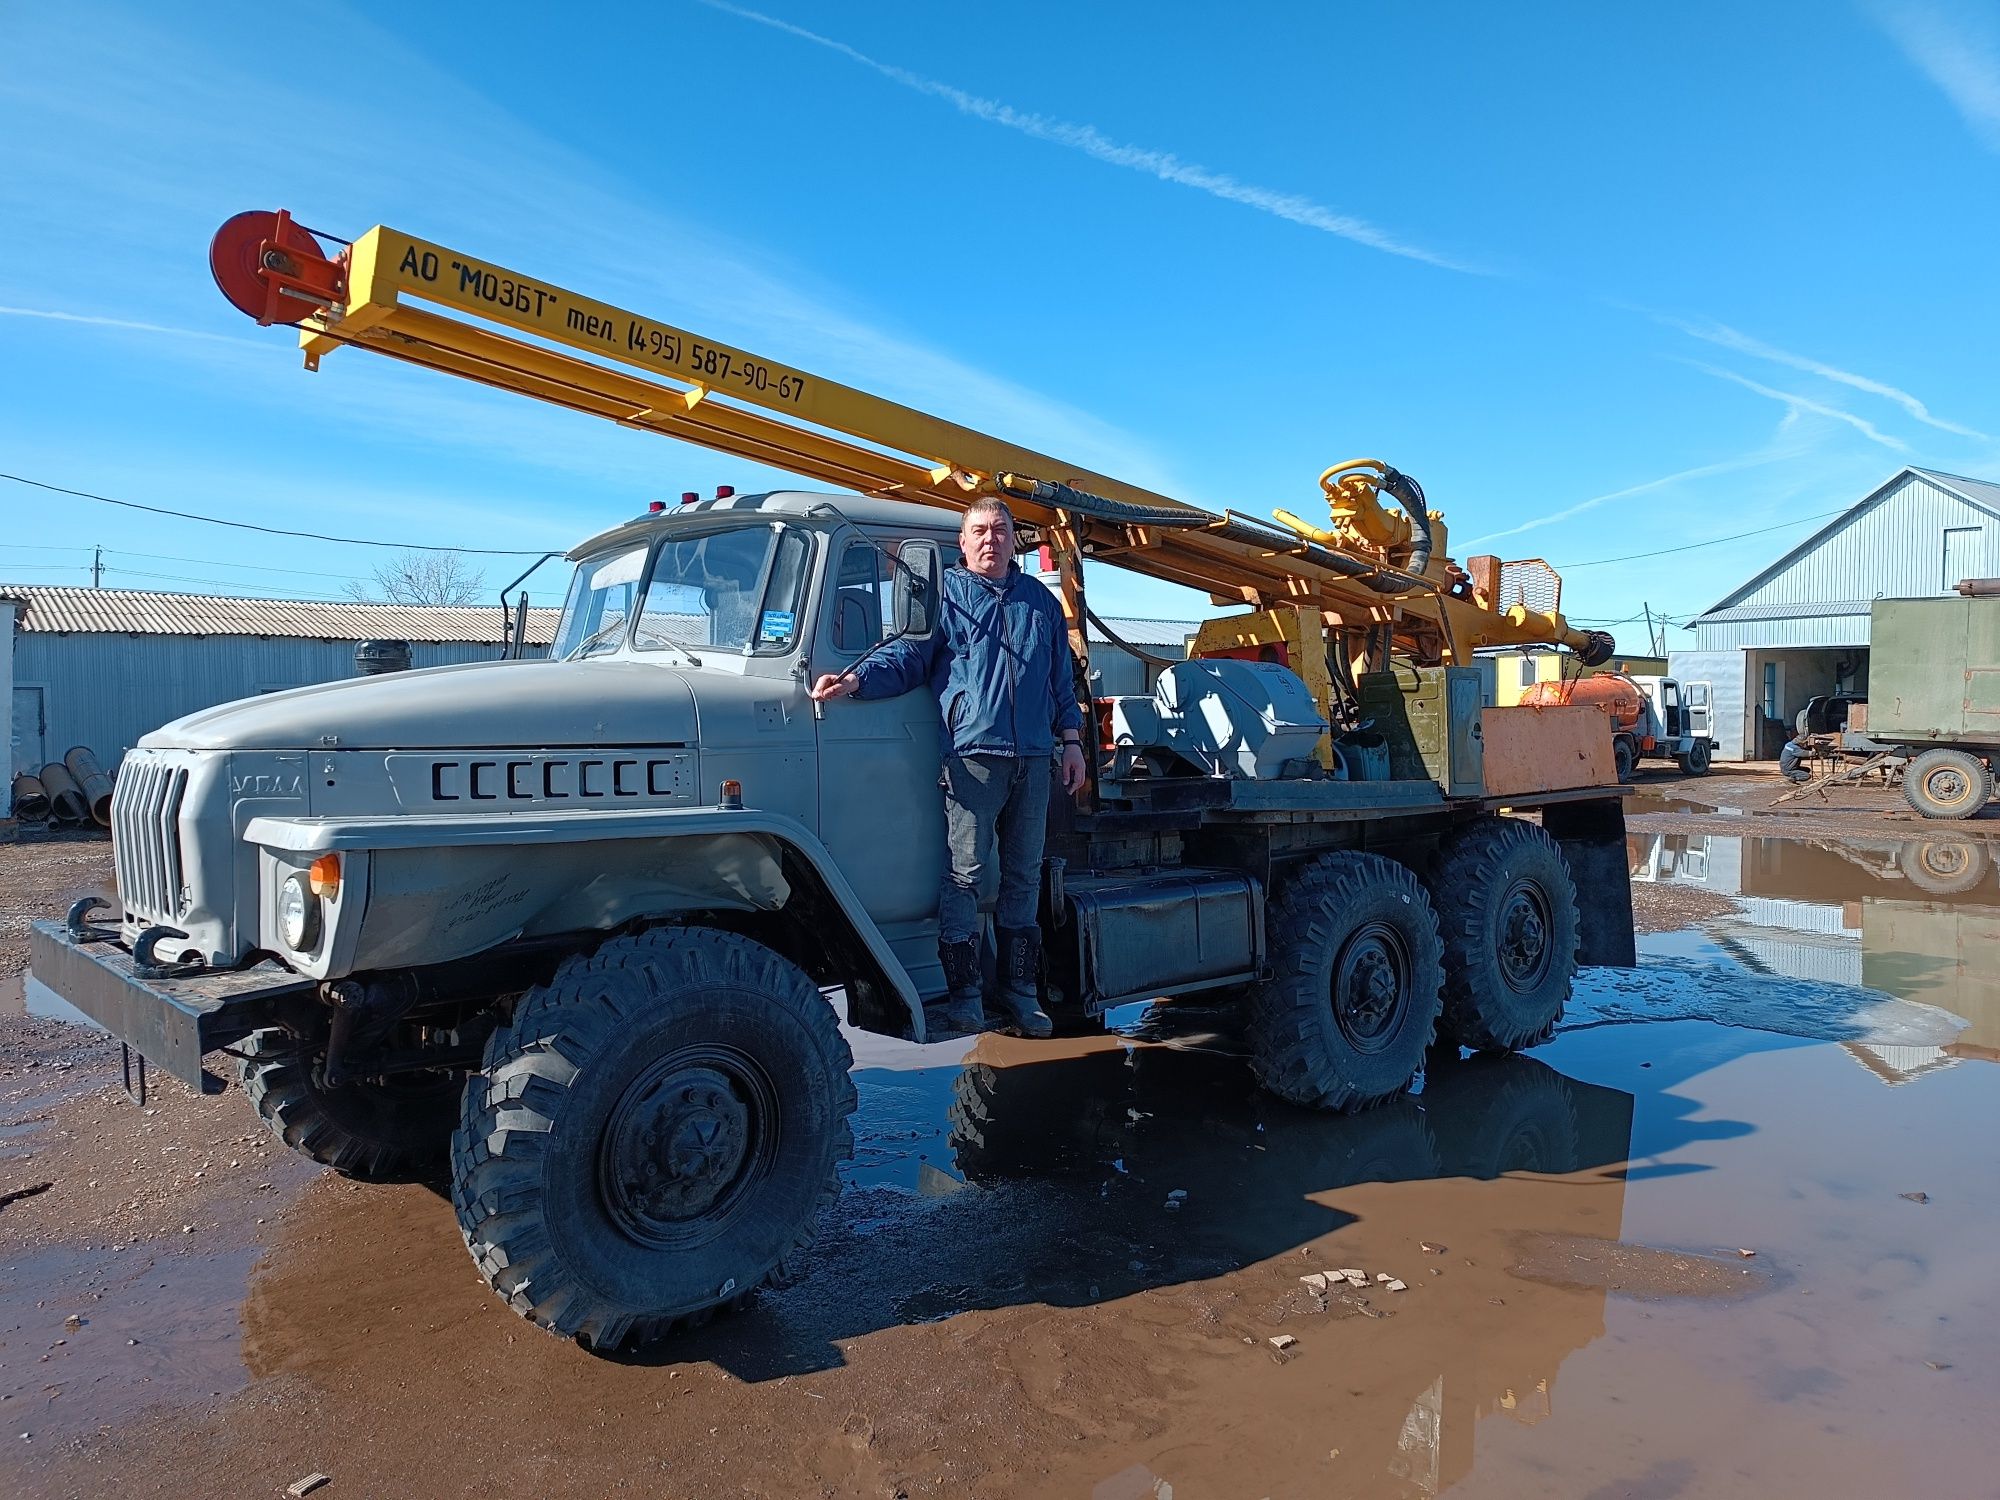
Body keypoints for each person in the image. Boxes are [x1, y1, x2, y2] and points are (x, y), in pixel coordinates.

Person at [810, 499, 1087, 1037]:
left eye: (1001, 531)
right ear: (961, 543)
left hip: (1033, 759)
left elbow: (1061, 684)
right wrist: (855, 681)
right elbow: (907, 658)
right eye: (979, 531)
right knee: (966, 876)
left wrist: (1072, 741)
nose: (991, 540)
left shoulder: (1041, 605)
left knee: (1023, 876)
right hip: (972, 760)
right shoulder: (944, 600)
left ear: (1015, 541)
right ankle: (964, 996)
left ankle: (1021, 993)